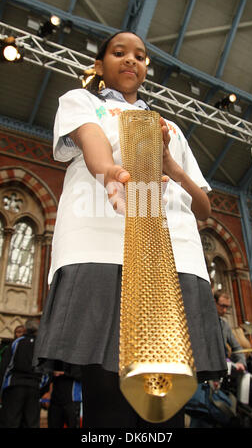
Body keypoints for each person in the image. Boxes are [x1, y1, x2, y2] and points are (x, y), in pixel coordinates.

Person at [33, 31, 227, 428]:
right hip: (103, 246)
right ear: (101, 64)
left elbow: (204, 207)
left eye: (140, 56)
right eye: (119, 53)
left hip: (175, 256)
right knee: (108, 391)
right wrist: (112, 175)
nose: (131, 61)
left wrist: (173, 170)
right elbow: (93, 147)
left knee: (168, 397)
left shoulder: (168, 127)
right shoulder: (81, 102)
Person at [0, 318, 48, 428]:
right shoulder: (42, 346)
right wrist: (41, 388)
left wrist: (2, 388)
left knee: (10, 421)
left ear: (26, 329)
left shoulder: (16, 343)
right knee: (31, 422)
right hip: (34, 388)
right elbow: (46, 371)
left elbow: (5, 366)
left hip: (14, 387)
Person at [214, 291, 246, 371]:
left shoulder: (224, 325)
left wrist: (241, 362)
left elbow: (237, 348)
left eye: (227, 307)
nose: (224, 310)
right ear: (214, 302)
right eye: (222, 306)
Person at [47, 364, 82, 428]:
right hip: (55, 400)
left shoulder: (78, 358)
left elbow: (82, 375)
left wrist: (64, 373)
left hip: (72, 400)